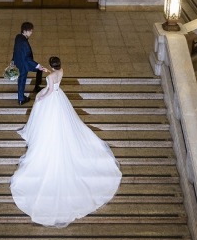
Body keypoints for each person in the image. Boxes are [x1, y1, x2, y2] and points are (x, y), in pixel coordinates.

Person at [10, 56, 122, 227]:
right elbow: (55, 84)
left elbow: (48, 91)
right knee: (64, 122)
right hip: (59, 97)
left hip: (51, 98)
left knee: (46, 117)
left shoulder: (49, 77)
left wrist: (40, 98)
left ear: (51, 65)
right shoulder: (61, 71)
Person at [12, 21, 47, 105]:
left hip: (18, 61)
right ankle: (21, 99)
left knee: (38, 70)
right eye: (30, 31)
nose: (31, 32)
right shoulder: (24, 42)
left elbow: (15, 50)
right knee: (22, 80)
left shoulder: (18, 37)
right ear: (24, 31)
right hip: (24, 64)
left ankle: (36, 87)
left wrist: (13, 60)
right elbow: (27, 58)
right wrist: (37, 65)